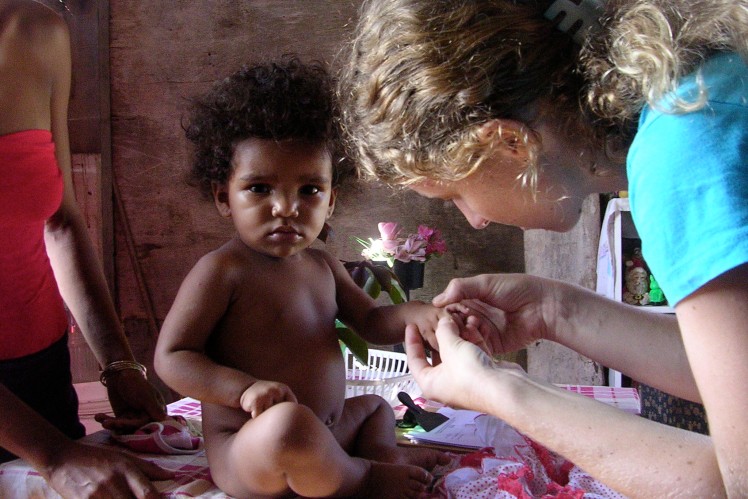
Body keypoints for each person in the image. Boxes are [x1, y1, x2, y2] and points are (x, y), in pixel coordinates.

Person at [339, 0, 748, 496]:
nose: (476, 219)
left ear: (510, 142)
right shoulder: (701, 97)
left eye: (456, 194)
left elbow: (735, 484)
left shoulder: (682, 162)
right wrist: (553, 310)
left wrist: (501, 390)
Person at [154, 57, 458, 499]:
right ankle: (360, 478)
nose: (286, 207)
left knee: (375, 408)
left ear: (331, 201)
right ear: (224, 198)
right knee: (288, 427)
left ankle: (375, 456)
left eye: (309, 190)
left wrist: (421, 313)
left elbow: (372, 322)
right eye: (260, 188)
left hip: (328, 431)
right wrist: (244, 391)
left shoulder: (323, 266)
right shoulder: (222, 272)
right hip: (253, 447)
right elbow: (173, 357)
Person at [0, 1, 172, 496]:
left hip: (40, 380)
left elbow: (62, 222)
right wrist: (52, 454)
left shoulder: (39, 32)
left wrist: (118, 365)